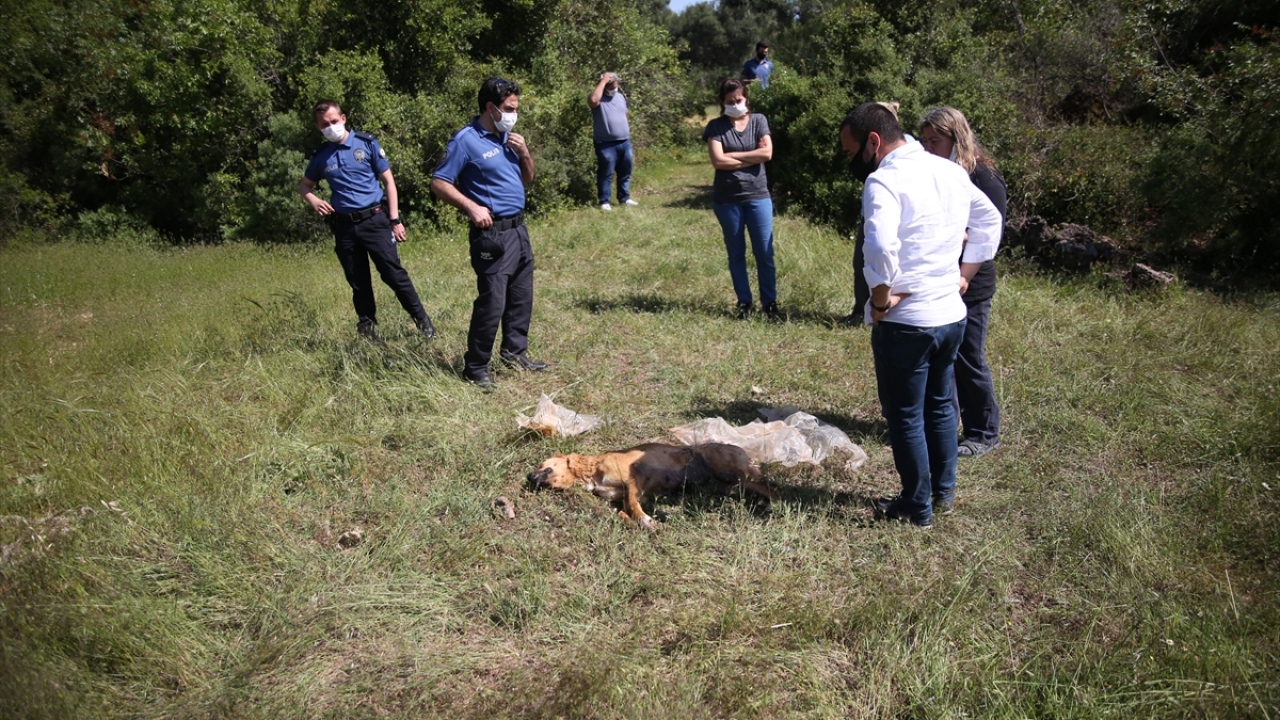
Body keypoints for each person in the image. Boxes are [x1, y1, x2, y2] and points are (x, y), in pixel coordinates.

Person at [839, 102, 1002, 527]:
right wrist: (964, 275)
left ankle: (916, 505)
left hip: (907, 322)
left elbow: (878, 248)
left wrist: (878, 302)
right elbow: (989, 220)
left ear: (873, 142)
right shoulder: (948, 170)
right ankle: (942, 493)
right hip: (951, 315)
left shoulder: (884, 181)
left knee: (906, 414)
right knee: (941, 406)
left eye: (851, 151)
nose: (850, 161)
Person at [430, 77, 545, 390]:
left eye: (516, 108)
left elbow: (528, 179)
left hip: (518, 228)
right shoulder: (465, 141)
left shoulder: (509, 136)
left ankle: (514, 353)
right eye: (509, 108)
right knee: (492, 301)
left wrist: (525, 153)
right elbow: (439, 182)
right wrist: (471, 207)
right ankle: (475, 367)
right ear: (490, 107)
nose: (513, 114)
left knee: (521, 296)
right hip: (492, 234)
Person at [298, 100, 436, 342]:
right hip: (344, 227)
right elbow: (305, 185)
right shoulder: (321, 156)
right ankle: (369, 331)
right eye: (324, 124)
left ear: (343, 118)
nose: (330, 127)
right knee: (358, 282)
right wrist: (313, 200)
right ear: (317, 127)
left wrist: (395, 219)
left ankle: (422, 321)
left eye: (333, 121)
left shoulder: (366, 143)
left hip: (375, 221)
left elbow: (389, 183)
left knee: (393, 274)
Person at [919, 106, 1007, 459]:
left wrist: (963, 274)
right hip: (941, 277)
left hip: (972, 281)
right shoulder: (936, 173)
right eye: (924, 141)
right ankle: (943, 421)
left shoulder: (983, 177)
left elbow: (990, 232)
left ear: (957, 139)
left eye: (935, 141)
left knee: (969, 355)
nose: (928, 149)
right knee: (942, 355)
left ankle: (983, 432)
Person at [702, 78, 779, 319]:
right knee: (736, 253)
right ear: (721, 103)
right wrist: (750, 156)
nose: (735, 104)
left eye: (739, 100)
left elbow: (767, 153)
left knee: (764, 253)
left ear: (746, 98)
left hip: (758, 196)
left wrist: (732, 155)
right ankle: (744, 303)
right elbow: (717, 161)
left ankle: (770, 303)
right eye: (729, 102)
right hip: (727, 200)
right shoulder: (715, 126)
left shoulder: (759, 120)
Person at [588, 72, 638, 211]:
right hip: (605, 143)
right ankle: (604, 200)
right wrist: (603, 81)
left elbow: (624, 114)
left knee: (625, 171)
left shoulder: (620, 97)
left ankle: (624, 197)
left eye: (616, 82)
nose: (616, 85)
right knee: (606, 173)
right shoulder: (598, 98)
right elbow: (593, 100)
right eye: (613, 82)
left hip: (624, 141)